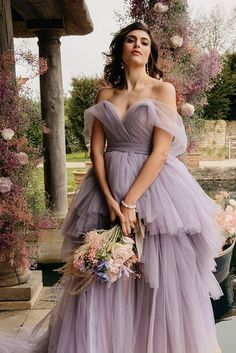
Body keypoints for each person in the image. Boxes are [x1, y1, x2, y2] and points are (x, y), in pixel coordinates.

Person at [0, 21, 224, 353]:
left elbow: (161, 151)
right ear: (120, 49)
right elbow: (95, 151)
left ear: (151, 52)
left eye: (144, 42)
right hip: (104, 187)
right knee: (102, 271)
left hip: (155, 188)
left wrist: (130, 201)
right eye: (130, 40)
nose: (137, 45)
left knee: (153, 269)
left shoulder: (164, 90)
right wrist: (108, 198)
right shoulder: (105, 94)